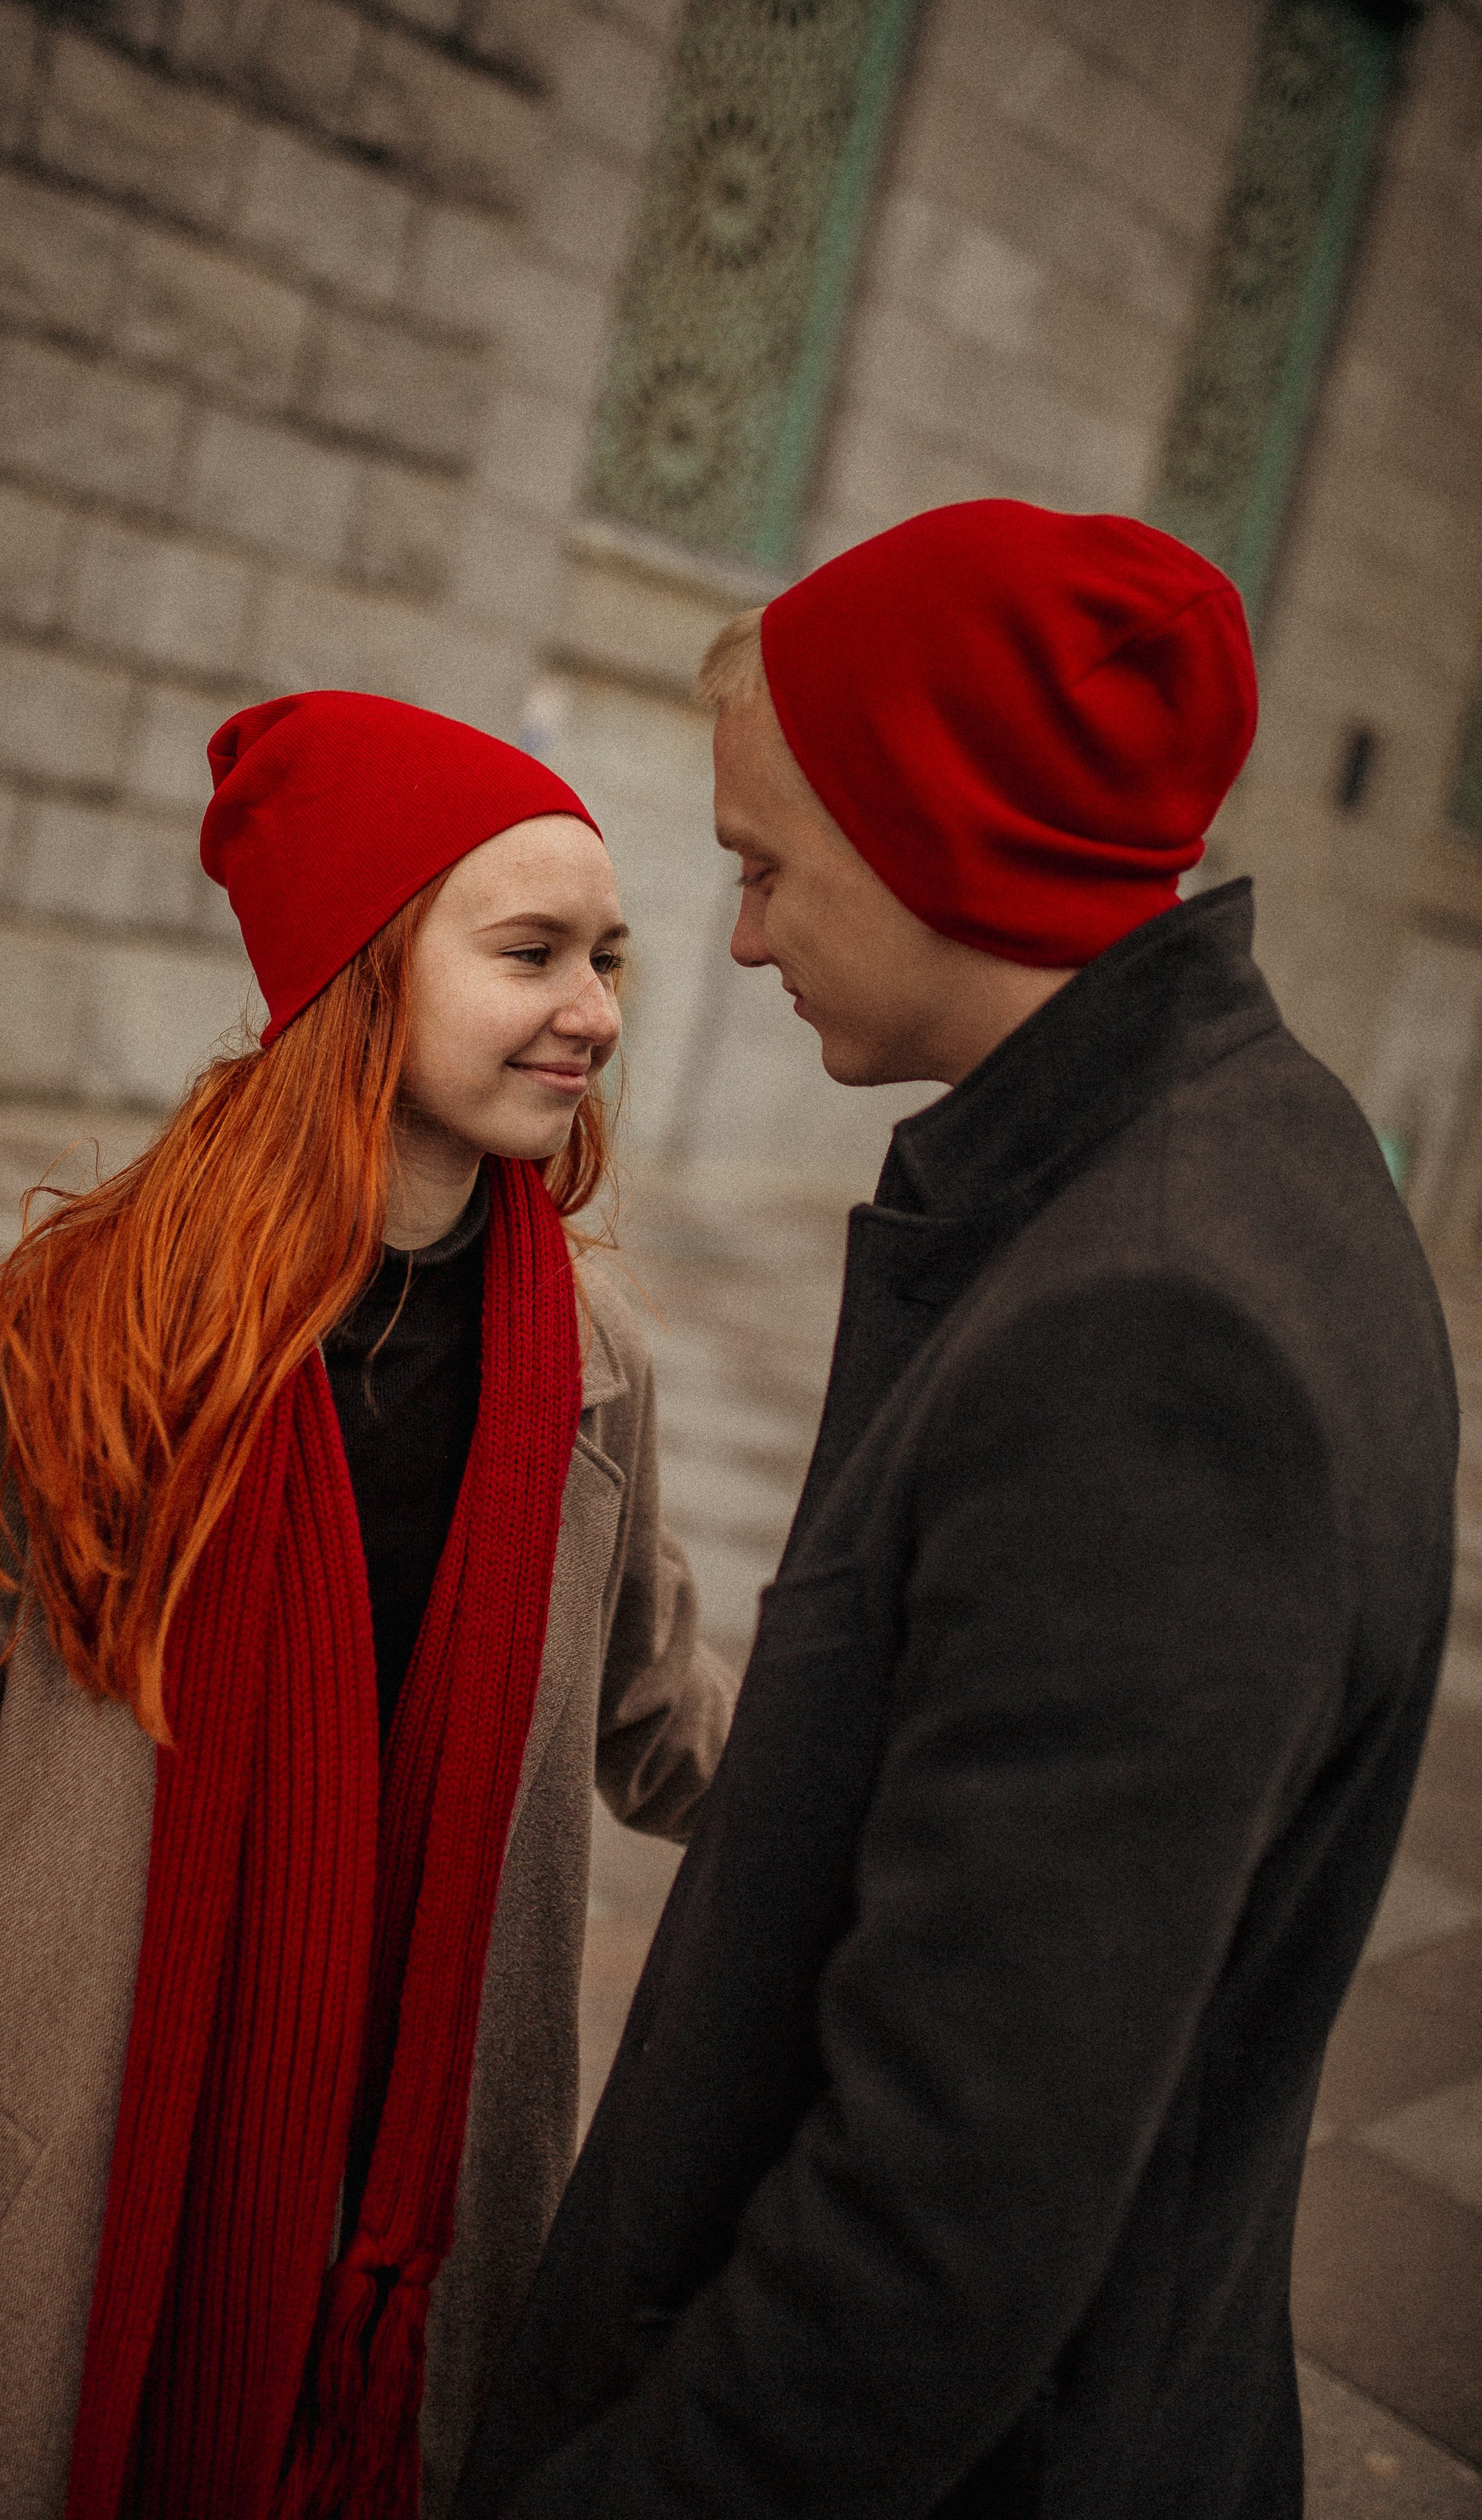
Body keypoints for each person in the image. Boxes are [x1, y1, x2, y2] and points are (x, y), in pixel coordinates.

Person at [452, 501, 1459, 2520]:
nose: (738, 937)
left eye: (764, 865)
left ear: (940, 831)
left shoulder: (1158, 1336)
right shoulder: (1253, 1149)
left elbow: (932, 2240)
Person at [0, 691, 734, 2520]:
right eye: (531, 951)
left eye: (607, 958)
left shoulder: (585, 1368)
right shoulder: (80, 1339)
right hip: (93, 2222)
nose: (595, 1011)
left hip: (413, 2237)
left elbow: (665, 1716)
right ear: (361, 964)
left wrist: (951, 1806)